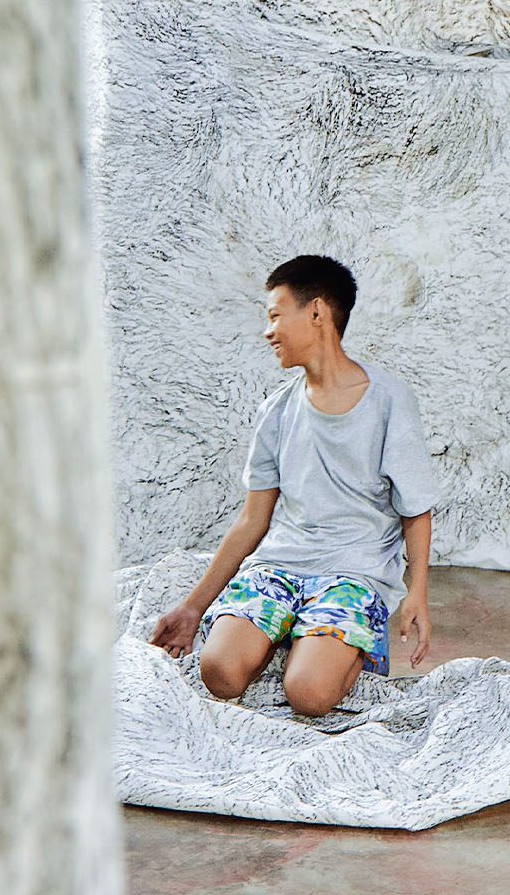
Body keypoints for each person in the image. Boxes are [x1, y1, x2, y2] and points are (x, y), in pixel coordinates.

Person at [149, 255, 441, 717]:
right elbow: (252, 520)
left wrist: (416, 592)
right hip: (279, 567)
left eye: (275, 315)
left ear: (318, 312)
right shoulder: (277, 411)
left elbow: (416, 509)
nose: (269, 332)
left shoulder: (389, 400)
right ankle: (293, 631)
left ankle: (338, 642)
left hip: (353, 573)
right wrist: (191, 608)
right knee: (219, 674)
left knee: (308, 694)